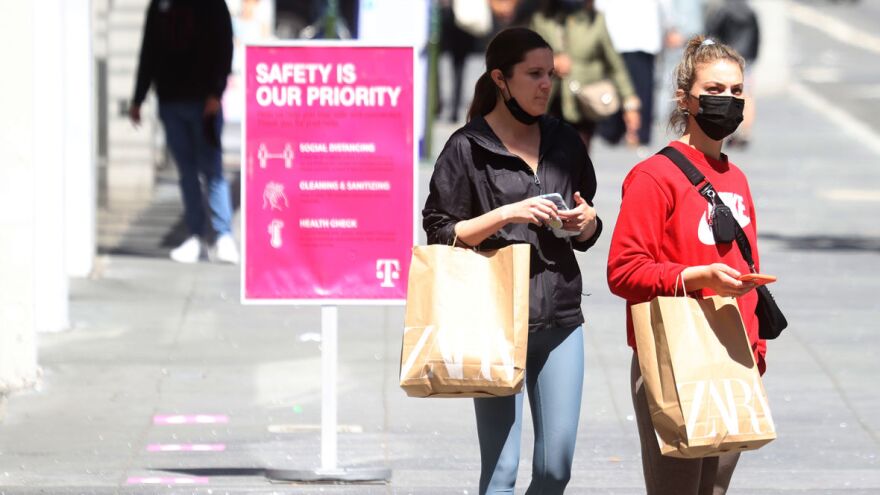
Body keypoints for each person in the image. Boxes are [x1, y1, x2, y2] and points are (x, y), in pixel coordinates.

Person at [423, 27, 602, 494]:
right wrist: (508, 212)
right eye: (534, 74)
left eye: (551, 74)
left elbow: (587, 224)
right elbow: (439, 230)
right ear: (501, 80)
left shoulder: (564, 140)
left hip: (561, 317)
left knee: (555, 469)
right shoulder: (466, 147)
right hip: (495, 319)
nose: (546, 84)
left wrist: (586, 222)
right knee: (501, 472)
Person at [607, 36, 765, 494]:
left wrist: (756, 355)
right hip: (674, 356)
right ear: (685, 99)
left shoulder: (736, 177)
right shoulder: (654, 176)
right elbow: (624, 269)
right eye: (715, 90)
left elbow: (746, 268)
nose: (728, 101)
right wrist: (697, 277)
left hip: (733, 357)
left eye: (737, 92)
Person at [129, 0, 239, 264]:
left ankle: (223, 236)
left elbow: (224, 45)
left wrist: (216, 91)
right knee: (186, 172)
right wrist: (138, 98)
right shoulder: (160, 5)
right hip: (170, 100)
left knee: (211, 168)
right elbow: (149, 49)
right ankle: (195, 236)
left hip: (205, 103)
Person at [531, 0, 641, 151]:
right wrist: (551, 62)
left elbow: (615, 65)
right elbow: (526, 58)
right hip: (550, 103)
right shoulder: (542, 19)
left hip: (584, 104)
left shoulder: (596, 21)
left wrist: (630, 103)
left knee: (578, 160)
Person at [594, 0, 675, 149]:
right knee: (641, 88)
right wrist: (669, 26)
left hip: (619, 34)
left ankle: (614, 131)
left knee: (616, 85)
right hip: (641, 34)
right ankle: (637, 132)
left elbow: (599, 6)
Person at [705, 0, 759, 147]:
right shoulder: (750, 11)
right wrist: (753, 57)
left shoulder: (723, 10)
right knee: (747, 96)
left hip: (728, 58)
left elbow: (713, 33)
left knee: (728, 95)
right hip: (747, 59)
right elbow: (756, 37)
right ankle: (745, 132)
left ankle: (730, 131)